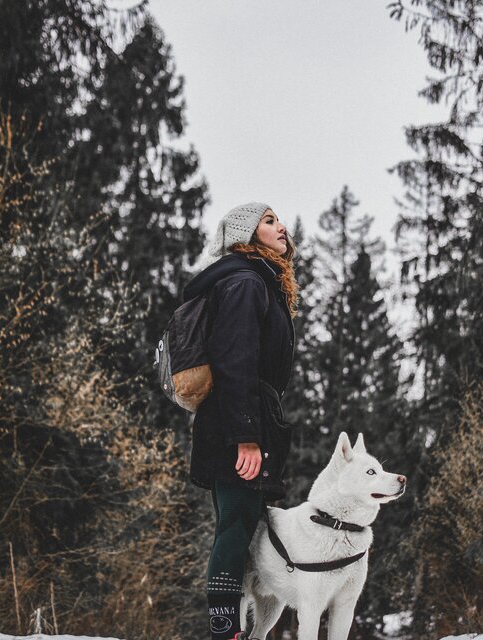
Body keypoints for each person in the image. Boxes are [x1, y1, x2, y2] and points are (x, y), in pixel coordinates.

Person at [183, 202, 298, 640]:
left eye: (279, 219)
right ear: (244, 236)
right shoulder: (247, 282)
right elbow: (235, 360)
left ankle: (228, 630)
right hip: (237, 424)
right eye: (268, 221)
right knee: (235, 525)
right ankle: (225, 631)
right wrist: (245, 438)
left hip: (243, 418)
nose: (281, 226)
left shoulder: (255, 282)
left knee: (241, 522)